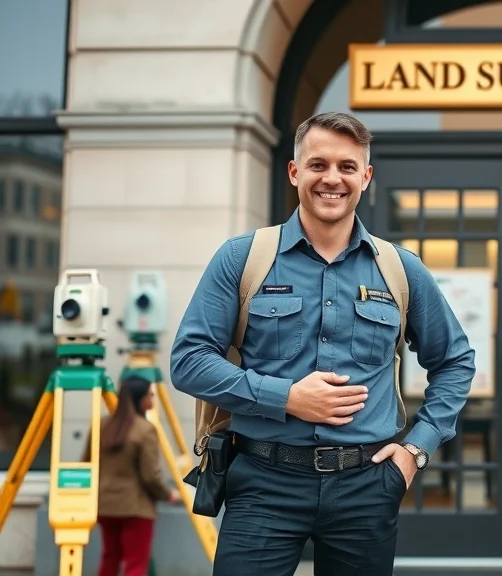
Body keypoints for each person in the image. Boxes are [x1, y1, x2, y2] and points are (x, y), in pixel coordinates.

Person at [170, 111, 476, 576]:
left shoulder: (401, 270)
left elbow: (455, 361)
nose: (332, 178)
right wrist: (287, 398)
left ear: (366, 178)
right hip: (263, 484)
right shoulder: (242, 258)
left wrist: (414, 451)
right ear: (295, 172)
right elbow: (189, 362)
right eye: (318, 165)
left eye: (347, 167)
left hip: (367, 486)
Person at [88, 375, 180, 576]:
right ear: (141, 399)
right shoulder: (145, 429)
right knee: (135, 565)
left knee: (109, 559)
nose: (153, 398)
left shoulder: (103, 425)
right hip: (136, 507)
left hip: (105, 505)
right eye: (150, 394)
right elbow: (150, 476)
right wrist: (168, 494)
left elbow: (87, 462)